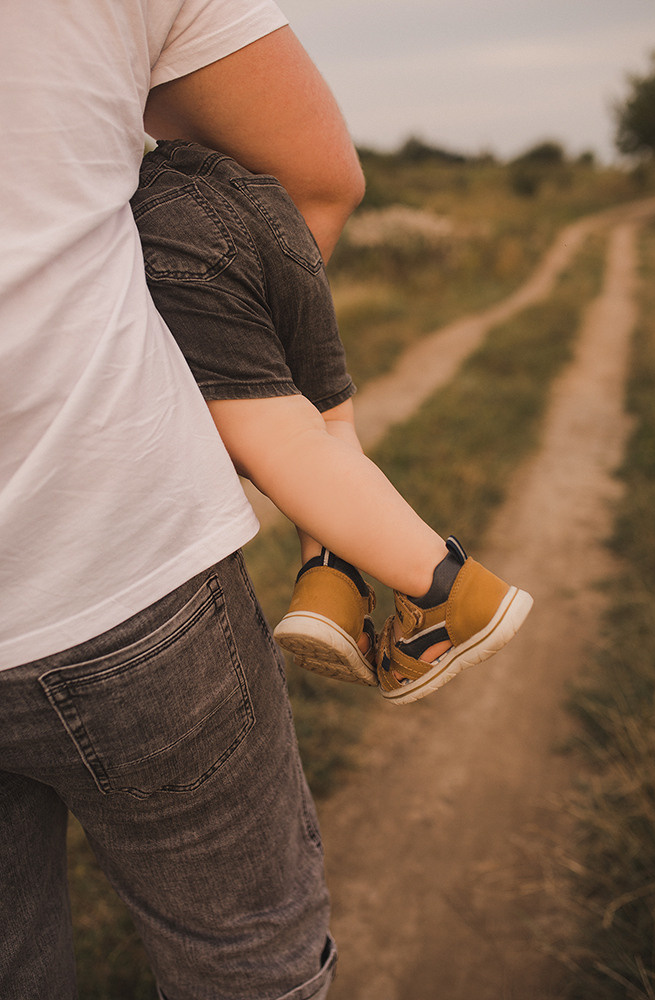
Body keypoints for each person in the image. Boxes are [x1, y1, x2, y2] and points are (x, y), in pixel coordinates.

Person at [0, 3, 366, 998]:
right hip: (120, 560)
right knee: (246, 961)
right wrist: (232, 404)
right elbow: (315, 183)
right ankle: (426, 584)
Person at [131, 139, 534, 705]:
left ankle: (447, 592)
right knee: (325, 424)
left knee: (278, 441)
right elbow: (334, 179)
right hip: (268, 207)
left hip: (160, 227)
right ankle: (330, 584)